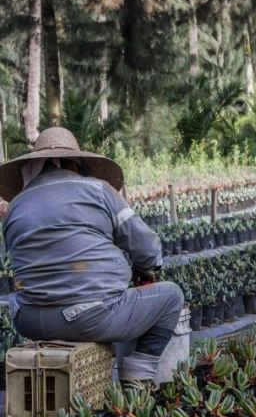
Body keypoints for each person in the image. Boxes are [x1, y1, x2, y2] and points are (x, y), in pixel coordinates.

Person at [0, 127, 183, 382]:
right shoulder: (98, 191)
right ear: (77, 163)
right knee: (172, 296)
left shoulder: (15, 207)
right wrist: (146, 269)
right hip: (87, 317)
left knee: (24, 297)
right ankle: (138, 375)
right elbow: (147, 247)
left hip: (29, 319)